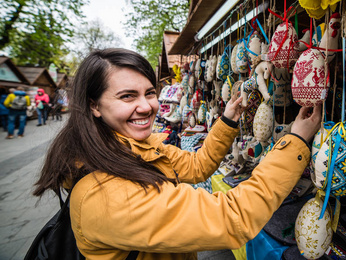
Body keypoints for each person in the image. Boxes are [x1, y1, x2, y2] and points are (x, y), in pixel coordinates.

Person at [33, 48, 321, 259]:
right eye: (127, 96)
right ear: (94, 105)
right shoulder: (106, 194)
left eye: (149, 92)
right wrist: (295, 141)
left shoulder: (139, 148)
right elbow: (232, 217)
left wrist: (229, 120)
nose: (146, 106)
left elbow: (197, 165)